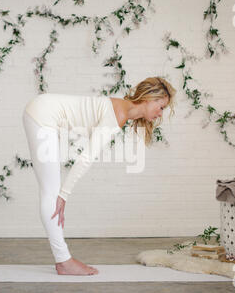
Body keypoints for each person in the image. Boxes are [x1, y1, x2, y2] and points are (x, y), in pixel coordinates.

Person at [22, 77, 176, 275]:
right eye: (161, 106)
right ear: (149, 98)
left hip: (42, 111)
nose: (160, 113)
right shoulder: (118, 113)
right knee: (51, 193)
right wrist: (64, 195)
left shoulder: (121, 109)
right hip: (42, 115)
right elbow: (86, 157)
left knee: (51, 191)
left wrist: (64, 194)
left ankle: (63, 260)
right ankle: (63, 261)